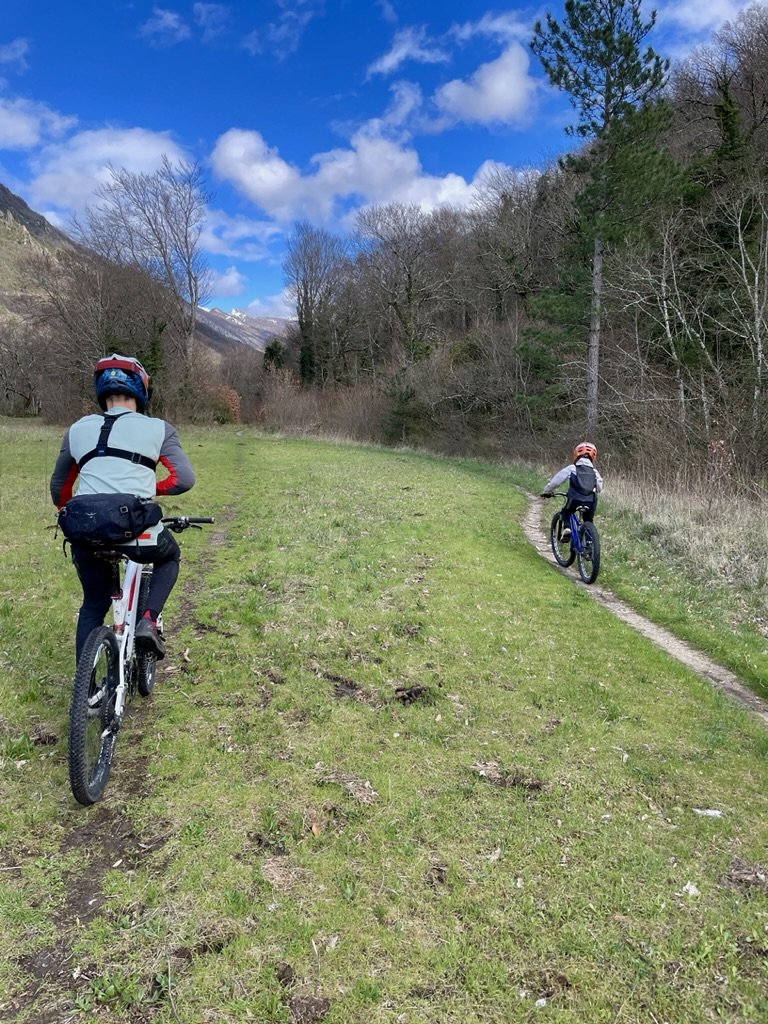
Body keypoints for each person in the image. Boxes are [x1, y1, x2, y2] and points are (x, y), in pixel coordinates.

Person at [50, 354, 195, 663]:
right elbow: (183, 479)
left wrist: (70, 512)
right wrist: (150, 489)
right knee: (170, 557)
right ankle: (148, 621)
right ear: (141, 389)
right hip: (136, 529)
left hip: (85, 532)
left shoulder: (77, 429)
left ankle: (86, 689)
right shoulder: (159, 428)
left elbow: (59, 488)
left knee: (93, 604)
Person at [541, 441, 603, 542]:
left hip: (574, 499)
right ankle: (590, 544)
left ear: (576, 454)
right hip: (590, 501)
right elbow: (599, 488)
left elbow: (556, 482)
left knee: (566, 512)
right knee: (588, 520)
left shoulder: (572, 468)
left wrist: (547, 491)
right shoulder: (595, 472)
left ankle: (567, 528)